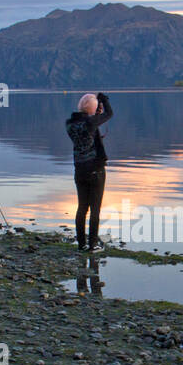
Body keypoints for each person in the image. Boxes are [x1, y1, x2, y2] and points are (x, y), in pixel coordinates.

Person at [66, 91, 113, 251]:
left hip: (79, 170)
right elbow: (110, 114)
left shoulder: (70, 124)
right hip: (95, 170)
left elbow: (90, 124)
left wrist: (95, 112)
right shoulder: (90, 123)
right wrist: (104, 101)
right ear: (92, 109)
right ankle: (92, 245)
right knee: (95, 209)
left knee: (82, 208)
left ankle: (81, 244)